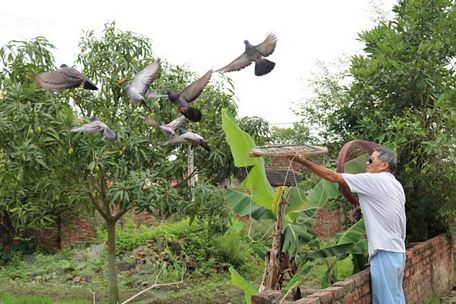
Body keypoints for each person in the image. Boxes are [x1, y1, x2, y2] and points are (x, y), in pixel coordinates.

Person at [288, 147, 406, 304]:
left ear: (384, 165)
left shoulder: (374, 180)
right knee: (397, 299)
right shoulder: (396, 185)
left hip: (385, 251)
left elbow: (332, 176)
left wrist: (299, 160)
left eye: (371, 160)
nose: (367, 163)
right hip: (398, 252)